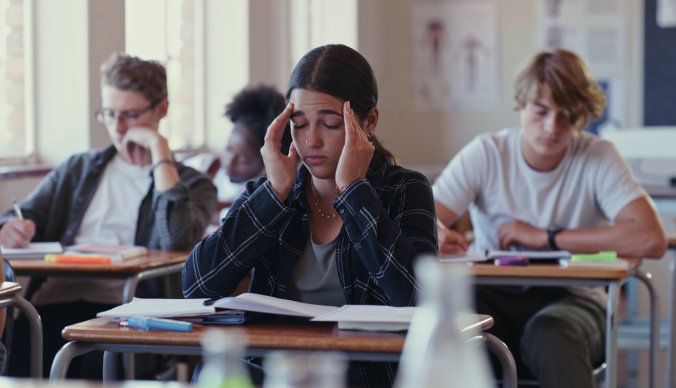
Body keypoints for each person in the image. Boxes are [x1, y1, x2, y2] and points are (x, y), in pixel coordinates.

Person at [183, 44, 437, 387]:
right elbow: (197, 285)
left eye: (330, 124)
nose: (311, 140)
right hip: (273, 373)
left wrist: (353, 192)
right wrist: (274, 195)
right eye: (299, 124)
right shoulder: (273, 193)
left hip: (361, 375)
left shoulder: (404, 190)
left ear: (369, 121)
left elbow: (418, 298)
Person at [433, 48, 667, 388]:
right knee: (447, 317)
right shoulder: (487, 153)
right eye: (541, 111)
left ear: (582, 116)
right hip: (494, 296)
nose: (552, 127)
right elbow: (423, 219)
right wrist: (435, 230)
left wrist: (545, 236)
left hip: (574, 300)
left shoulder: (597, 156)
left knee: (551, 333)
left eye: (567, 116)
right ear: (521, 105)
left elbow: (651, 238)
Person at [0, 53, 217, 377]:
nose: (117, 128)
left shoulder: (193, 183)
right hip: (54, 304)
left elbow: (178, 237)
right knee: (17, 353)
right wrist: (12, 226)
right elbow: (20, 214)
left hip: (130, 310)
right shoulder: (80, 169)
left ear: (161, 109)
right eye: (109, 114)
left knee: (91, 362)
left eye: (130, 115)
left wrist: (159, 150)